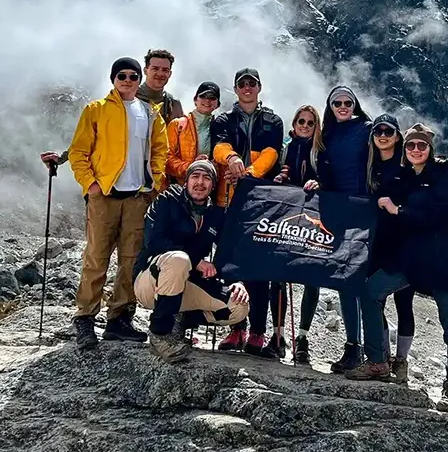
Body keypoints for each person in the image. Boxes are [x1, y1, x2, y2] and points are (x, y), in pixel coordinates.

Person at [346, 123, 448, 416]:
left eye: (421, 146)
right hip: (410, 258)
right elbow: (378, 200)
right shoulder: (399, 175)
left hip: (440, 259)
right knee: (370, 292)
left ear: (430, 148)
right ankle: (377, 360)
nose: (415, 150)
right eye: (411, 145)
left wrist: (399, 211)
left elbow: (437, 214)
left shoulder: (443, 172)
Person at [67, 57, 168, 349]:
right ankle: (85, 317)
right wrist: (92, 185)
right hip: (105, 196)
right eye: (121, 75)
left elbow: (160, 149)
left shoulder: (149, 113)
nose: (127, 79)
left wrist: (155, 182)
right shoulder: (96, 110)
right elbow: (79, 151)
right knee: (96, 257)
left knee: (130, 260)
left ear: (140, 79)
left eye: (133, 75)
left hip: (137, 197)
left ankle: (119, 318)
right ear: (113, 79)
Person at [133, 160, 250, 362]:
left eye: (206, 178)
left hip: (186, 284)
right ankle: (160, 334)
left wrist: (237, 281)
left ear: (213, 186)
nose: (200, 182)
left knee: (238, 307)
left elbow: (226, 253)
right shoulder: (167, 200)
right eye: (195, 177)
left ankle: (180, 322)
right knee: (180, 260)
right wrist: (196, 261)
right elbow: (154, 241)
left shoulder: (215, 215)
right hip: (150, 282)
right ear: (186, 181)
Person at [211, 68, 285, 356]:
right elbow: (220, 146)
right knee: (229, 266)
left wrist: (248, 175)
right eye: (242, 84)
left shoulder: (273, 121)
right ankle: (235, 327)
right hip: (226, 201)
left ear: (259, 87)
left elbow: (272, 153)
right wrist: (230, 158)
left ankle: (257, 331)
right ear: (236, 88)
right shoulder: (224, 120)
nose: (247, 88)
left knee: (257, 268)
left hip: (258, 203)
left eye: (251, 83)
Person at [305, 86, 372, 373]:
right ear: (330, 106)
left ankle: (366, 350)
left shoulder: (368, 129)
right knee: (345, 278)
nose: (343, 107)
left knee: (355, 281)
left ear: (355, 104)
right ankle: (354, 349)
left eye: (348, 102)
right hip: (335, 210)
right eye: (337, 103)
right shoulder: (327, 134)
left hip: (362, 209)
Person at [40, 48, 184, 167]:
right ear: (146, 70)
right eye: (155, 68)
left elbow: (181, 143)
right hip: (119, 174)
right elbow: (93, 135)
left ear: (170, 73)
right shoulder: (124, 98)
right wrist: (62, 159)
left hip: (157, 175)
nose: (160, 73)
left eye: (165, 70)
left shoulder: (172, 104)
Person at [365, 113, 415, 384]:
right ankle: (383, 358)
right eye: (378, 131)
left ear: (397, 135)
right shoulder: (370, 166)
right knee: (379, 302)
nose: (382, 135)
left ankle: (401, 361)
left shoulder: (406, 168)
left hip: (403, 246)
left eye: (388, 131)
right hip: (377, 244)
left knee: (404, 303)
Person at [272, 105, 322, 364]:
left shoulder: (320, 154)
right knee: (278, 277)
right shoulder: (286, 149)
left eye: (310, 123)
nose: (304, 125)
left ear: (316, 127)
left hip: (311, 220)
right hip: (288, 217)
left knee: (311, 277)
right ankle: (278, 335)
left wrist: (319, 184)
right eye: (301, 121)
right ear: (294, 123)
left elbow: (330, 179)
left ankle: (301, 337)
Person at [166, 81, 220, 185]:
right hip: (180, 187)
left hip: (208, 188)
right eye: (203, 96)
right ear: (195, 100)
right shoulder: (177, 125)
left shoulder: (220, 128)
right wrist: (191, 167)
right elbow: (166, 159)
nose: (207, 100)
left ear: (217, 104)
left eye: (212, 98)